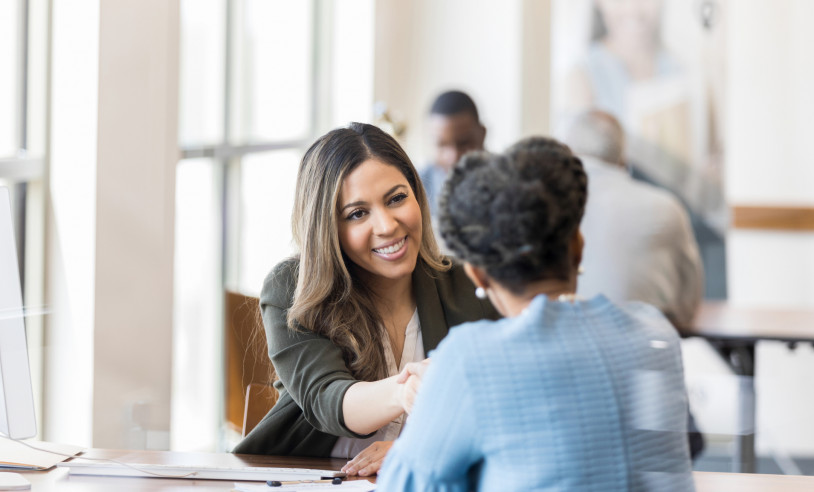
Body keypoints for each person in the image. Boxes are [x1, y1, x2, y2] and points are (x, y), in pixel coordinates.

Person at [378, 137, 695, 491]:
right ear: (578, 247)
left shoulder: (472, 360)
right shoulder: (654, 333)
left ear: (478, 274)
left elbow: (405, 485)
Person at [232, 123, 498, 477]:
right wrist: (406, 390)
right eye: (357, 214)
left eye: (397, 198)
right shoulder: (292, 288)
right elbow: (327, 398)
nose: (387, 225)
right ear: (328, 227)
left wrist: (420, 447)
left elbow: (509, 408)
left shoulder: (470, 284)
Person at [563, 110, 703, 328]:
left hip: (565, 335)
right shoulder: (666, 207)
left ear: (568, 152)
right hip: (651, 341)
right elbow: (688, 303)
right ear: (623, 155)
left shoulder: (550, 206)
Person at [419, 90, 486, 218]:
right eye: (442, 145)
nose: (453, 157)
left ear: (482, 134)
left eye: (464, 143)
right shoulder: (418, 187)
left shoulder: (508, 182)